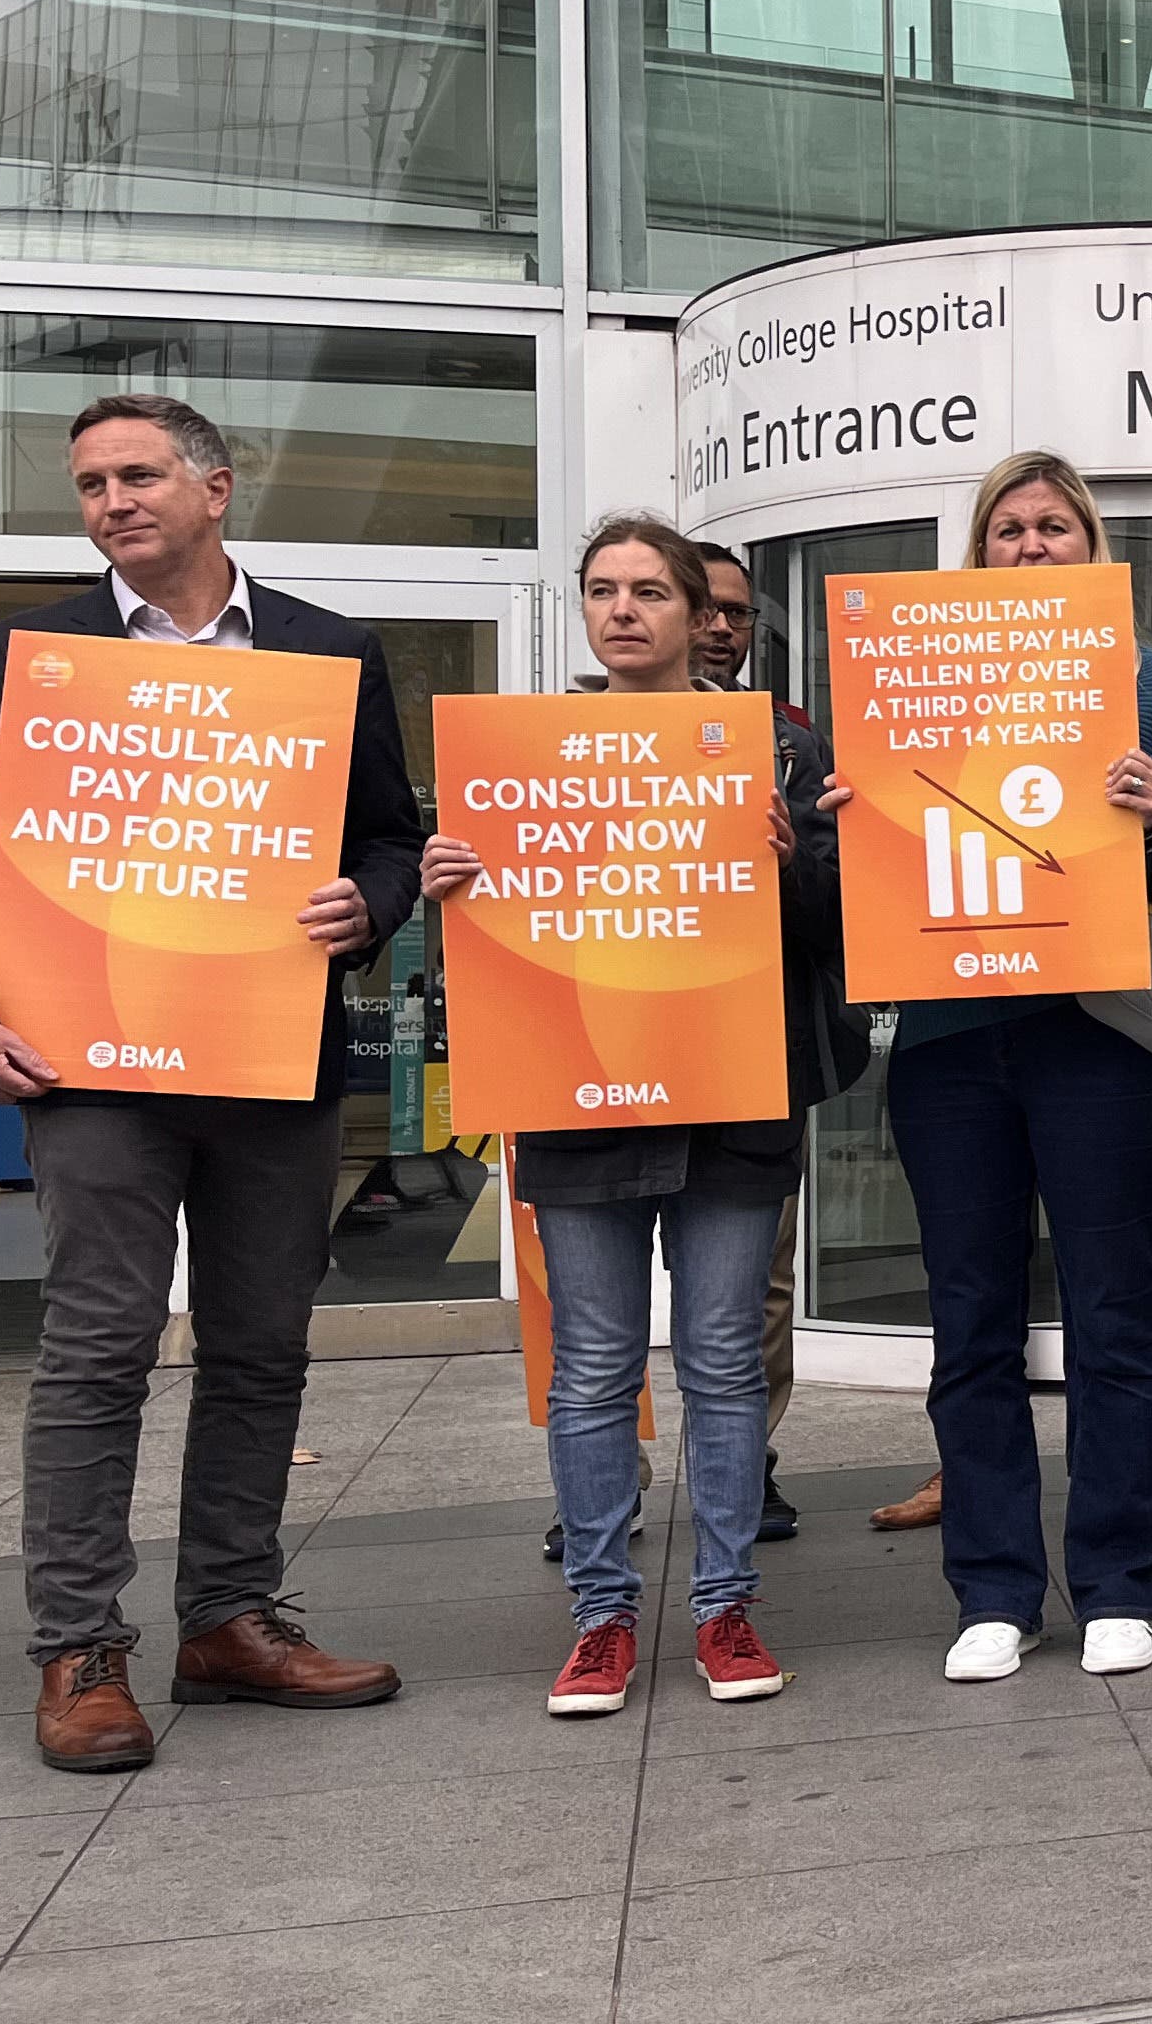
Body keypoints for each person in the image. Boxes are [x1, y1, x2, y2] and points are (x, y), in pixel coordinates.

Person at [0, 394, 425, 1771]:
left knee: (263, 1347)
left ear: (217, 487)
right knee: (98, 1350)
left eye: (138, 475)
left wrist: (365, 907)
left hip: (269, 1059)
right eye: (89, 485)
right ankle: (78, 1651)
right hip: (93, 1064)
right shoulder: (35, 655)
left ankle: (230, 1618)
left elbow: (390, 836)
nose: (111, 502)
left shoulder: (329, 653)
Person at [423, 516, 863, 1716]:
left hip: (728, 1092)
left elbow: (842, 930)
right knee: (594, 1369)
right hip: (581, 1096)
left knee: (722, 1361)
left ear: (697, 610)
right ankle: (602, 1619)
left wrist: (791, 861)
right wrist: (451, 884)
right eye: (602, 590)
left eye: (650, 591)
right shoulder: (525, 759)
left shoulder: (772, 751)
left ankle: (724, 1604)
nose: (624, 610)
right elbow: (490, 942)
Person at [858, 452, 1152, 1685]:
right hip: (954, 1043)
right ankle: (995, 1589)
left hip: (1107, 1038)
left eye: (1052, 525)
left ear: (1094, 545)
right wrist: (856, 811)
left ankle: (1122, 1583)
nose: (1028, 545)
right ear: (977, 552)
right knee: (970, 1326)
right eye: (1006, 528)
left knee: (1115, 1318)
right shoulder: (911, 683)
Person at [682, 537, 815, 1549]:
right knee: (585, 1303)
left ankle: (748, 1462)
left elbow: (827, 899)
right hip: (596, 1048)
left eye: (740, 613)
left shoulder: (791, 742)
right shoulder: (559, 733)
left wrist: (791, 863)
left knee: (757, 1281)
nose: (724, 626)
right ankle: (597, 1470)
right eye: (708, 607)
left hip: (751, 1051)